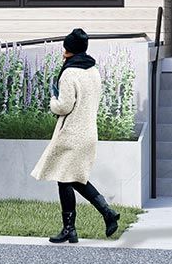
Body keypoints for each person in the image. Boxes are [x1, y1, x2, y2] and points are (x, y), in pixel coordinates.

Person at [31, 28, 121, 243]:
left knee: (65, 179)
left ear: (70, 50)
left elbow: (63, 106)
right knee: (73, 179)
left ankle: (75, 226)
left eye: (65, 47)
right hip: (88, 132)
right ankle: (100, 216)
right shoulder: (93, 70)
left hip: (72, 133)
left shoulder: (70, 73)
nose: (63, 51)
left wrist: (53, 100)